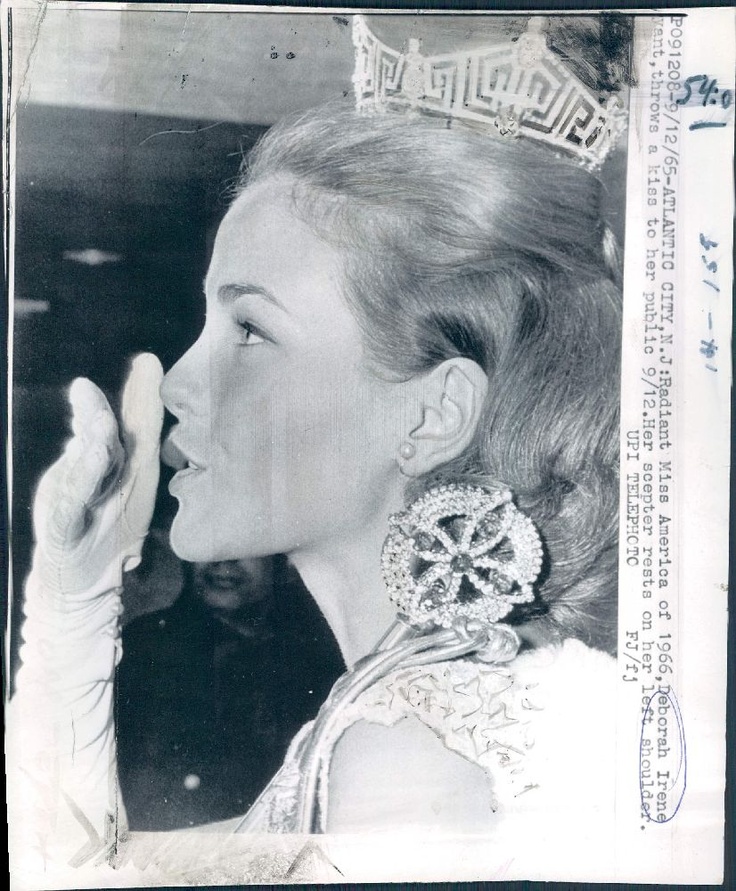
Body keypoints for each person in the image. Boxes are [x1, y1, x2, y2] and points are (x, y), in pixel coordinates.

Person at [8, 13, 624, 883]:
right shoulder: (414, 705)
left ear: (432, 414)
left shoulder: (406, 749)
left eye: (250, 329)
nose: (181, 381)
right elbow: (68, 868)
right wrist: (75, 589)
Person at [117, 555, 344, 830]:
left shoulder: (321, 654)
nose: (224, 559)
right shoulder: (141, 648)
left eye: (246, 544)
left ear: (283, 560)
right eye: (209, 543)